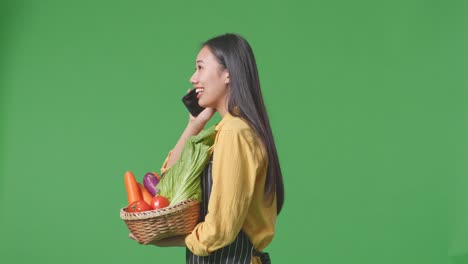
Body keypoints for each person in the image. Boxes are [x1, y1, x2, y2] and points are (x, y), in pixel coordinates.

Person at [130, 33, 284, 264]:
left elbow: (222, 228)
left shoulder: (235, 132)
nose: (193, 78)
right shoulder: (221, 132)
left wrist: (166, 239)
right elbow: (166, 187)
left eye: (200, 68)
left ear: (228, 73)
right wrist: (195, 123)